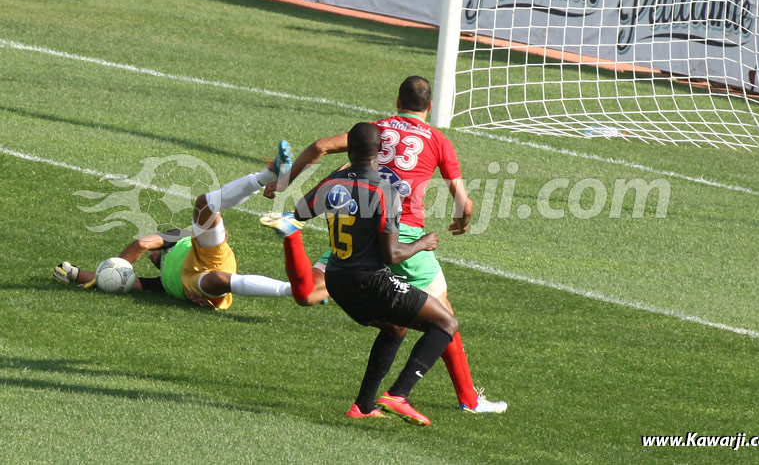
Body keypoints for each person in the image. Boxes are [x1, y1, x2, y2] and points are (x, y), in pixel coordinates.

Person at [264, 76, 507, 414]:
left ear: (398, 102)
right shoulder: (438, 140)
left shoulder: (375, 130)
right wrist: (462, 220)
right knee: (444, 317)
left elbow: (320, 146)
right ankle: (468, 399)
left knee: (323, 292)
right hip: (402, 232)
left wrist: (282, 182)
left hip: (357, 225)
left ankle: (363, 403)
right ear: (430, 106)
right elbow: (463, 202)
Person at [262, 122, 458, 426]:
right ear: (380, 151)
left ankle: (363, 406)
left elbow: (300, 212)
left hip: (336, 279)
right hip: (369, 280)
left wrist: (332, 181)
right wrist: (423, 243)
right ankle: (399, 395)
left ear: (349, 150)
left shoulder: (333, 182)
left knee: (395, 328)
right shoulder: (385, 190)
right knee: (446, 323)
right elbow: (391, 255)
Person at [53, 141, 302, 308]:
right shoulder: (161, 283)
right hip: (196, 283)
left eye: (154, 253)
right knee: (217, 280)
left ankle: (269, 174)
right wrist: (74, 274)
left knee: (204, 205)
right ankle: (293, 290)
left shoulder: (174, 237)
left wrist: (118, 264)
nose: (151, 255)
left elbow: (142, 244)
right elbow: (123, 282)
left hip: (208, 254)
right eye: (153, 256)